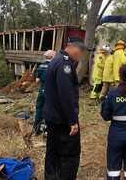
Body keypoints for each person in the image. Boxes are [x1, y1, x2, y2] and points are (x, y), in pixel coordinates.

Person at [43, 37, 86, 180]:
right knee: (70, 155)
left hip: (53, 117)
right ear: (74, 48)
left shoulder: (57, 59)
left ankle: (51, 177)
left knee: (53, 153)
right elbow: (66, 95)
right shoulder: (64, 64)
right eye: (81, 52)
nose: (81, 56)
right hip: (62, 121)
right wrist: (73, 121)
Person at [33, 50, 56, 135]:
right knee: (50, 110)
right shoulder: (54, 66)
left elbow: (37, 80)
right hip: (51, 92)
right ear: (52, 57)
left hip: (42, 91)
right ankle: (46, 130)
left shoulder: (41, 66)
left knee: (39, 109)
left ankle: (36, 129)